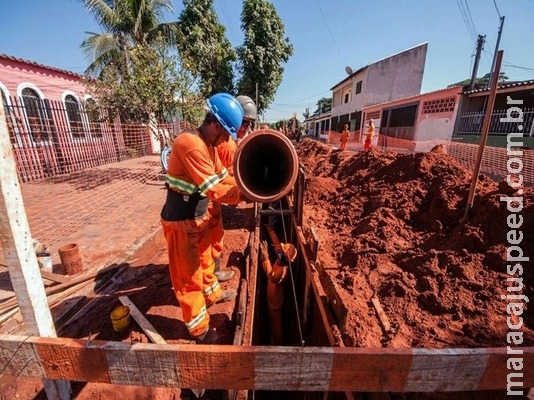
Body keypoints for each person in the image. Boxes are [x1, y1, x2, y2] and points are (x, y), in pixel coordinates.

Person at [160, 92, 247, 344]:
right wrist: (245, 195)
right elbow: (215, 189)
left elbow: (223, 178)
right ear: (216, 125)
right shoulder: (190, 144)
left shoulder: (209, 147)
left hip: (196, 218)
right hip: (180, 221)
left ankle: (211, 295)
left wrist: (245, 183)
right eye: (225, 134)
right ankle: (200, 330)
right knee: (188, 278)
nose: (224, 141)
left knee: (206, 260)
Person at [209, 95, 258, 283]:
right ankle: (210, 278)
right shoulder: (226, 144)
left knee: (214, 237)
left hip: (211, 201)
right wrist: (243, 193)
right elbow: (218, 183)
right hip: (205, 204)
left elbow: (223, 175)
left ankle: (213, 275)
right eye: (247, 125)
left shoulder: (222, 142)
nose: (246, 129)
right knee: (210, 240)